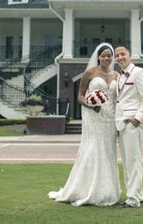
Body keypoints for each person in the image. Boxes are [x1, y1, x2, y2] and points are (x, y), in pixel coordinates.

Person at [48, 43, 120, 206]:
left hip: (111, 118)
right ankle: (87, 190)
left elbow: (119, 97)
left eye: (109, 55)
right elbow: (80, 96)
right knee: (93, 150)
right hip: (94, 117)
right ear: (98, 57)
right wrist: (90, 104)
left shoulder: (116, 75)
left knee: (108, 152)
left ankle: (108, 190)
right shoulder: (90, 73)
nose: (107, 58)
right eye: (104, 55)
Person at [114, 46, 143, 209]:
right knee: (128, 162)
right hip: (121, 123)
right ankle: (138, 194)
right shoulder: (119, 77)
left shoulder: (139, 73)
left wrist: (138, 119)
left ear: (129, 56)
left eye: (123, 54)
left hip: (132, 124)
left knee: (133, 162)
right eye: (117, 55)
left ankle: (132, 200)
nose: (120, 57)